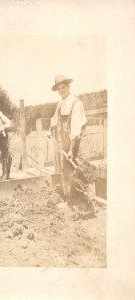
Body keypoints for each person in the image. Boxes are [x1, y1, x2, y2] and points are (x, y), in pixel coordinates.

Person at [50, 75, 97, 219]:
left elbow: (75, 131)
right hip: (68, 141)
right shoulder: (60, 104)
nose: (61, 91)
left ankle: (91, 206)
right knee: (67, 171)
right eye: (59, 89)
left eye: (63, 87)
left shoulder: (76, 103)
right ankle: (71, 201)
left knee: (83, 169)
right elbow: (54, 120)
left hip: (79, 140)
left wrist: (71, 150)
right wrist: (50, 130)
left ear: (68, 87)